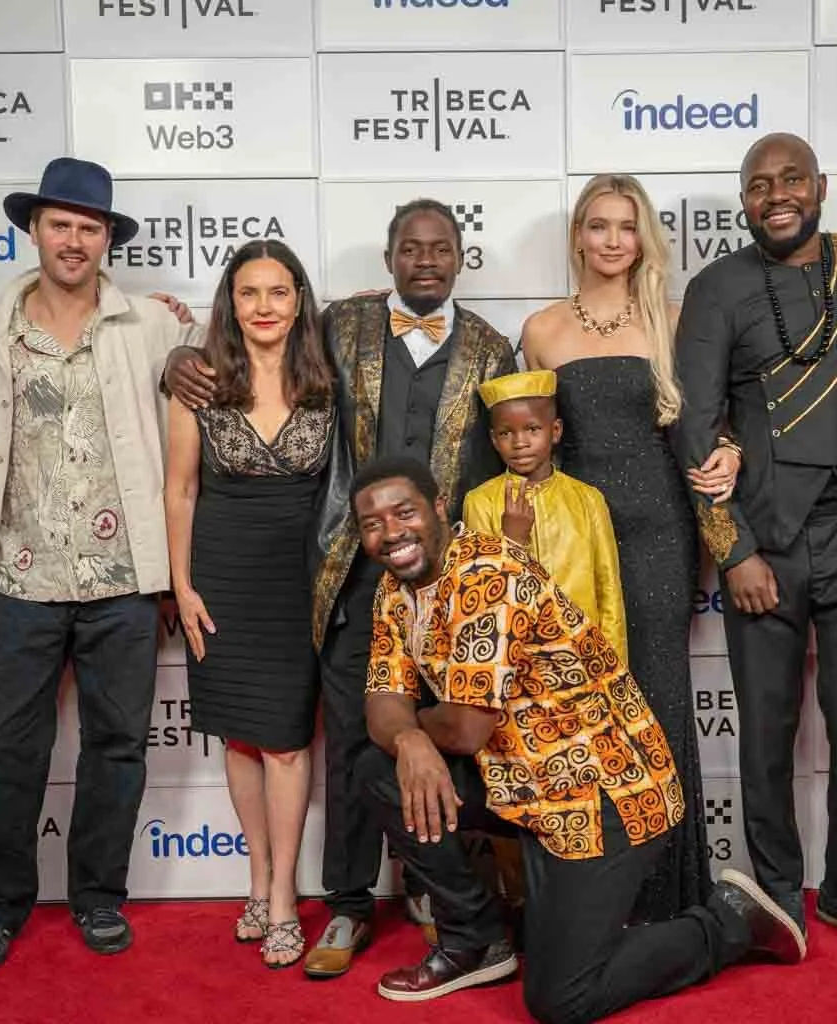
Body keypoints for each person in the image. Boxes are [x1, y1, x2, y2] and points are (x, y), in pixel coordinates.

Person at [165, 198, 516, 977]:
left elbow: (507, 458)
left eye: (441, 249)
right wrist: (173, 357)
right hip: (349, 582)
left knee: (455, 735)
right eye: (410, 249)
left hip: (450, 590)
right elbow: (254, 337)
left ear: (461, 257)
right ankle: (350, 904)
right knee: (358, 740)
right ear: (387, 258)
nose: (425, 262)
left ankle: (439, 891)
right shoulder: (341, 329)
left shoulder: (497, 349)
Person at [351, 456, 805, 1020]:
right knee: (376, 767)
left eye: (404, 512)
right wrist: (411, 742)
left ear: (439, 508)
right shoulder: (397, 589)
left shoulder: (486, 574)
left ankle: (730, 920)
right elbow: (381, 701)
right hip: (517, 779)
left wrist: (413, 734)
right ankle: (477, 940)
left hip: (600, 790)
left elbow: (467, 729)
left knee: (560, 999)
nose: (391, 532)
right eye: (372, 524)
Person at [0, 157, 198, 975]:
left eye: (89, 227)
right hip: (19, 578)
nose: (74, 240)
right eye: (60, 224)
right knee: (4, 754)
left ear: (106, 239)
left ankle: (98, 896)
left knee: (118, 745)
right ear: (34, 230)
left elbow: (217, 386)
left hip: (122, 580)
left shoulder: (154, 327)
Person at [672, 133, 837, 955]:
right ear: (743, 201)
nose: (777, 193)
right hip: (765, 539)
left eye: (792, 178)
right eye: (760, 183)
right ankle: (776, 890)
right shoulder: (715, 288)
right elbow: (697, 423)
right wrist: (731, 550)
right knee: (766, 729)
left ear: (821, 186)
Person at [520, 174, 735, 918]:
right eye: (599, 225)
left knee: (658, 697)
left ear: (643, 238)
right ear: (578, 235)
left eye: (626, 226)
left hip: (656, 532)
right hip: (572, 536)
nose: (613, 240)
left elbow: (705, 423)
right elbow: (529, 447)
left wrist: (730, 450)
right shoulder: (541, 329)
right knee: (580, 706)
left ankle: (669, 894)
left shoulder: (672, 321)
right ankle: (591, 894)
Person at [163, 239, 334, 968]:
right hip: (223, 574)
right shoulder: (198, 380)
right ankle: (256, 881)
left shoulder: (329, 380)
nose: (264, 306)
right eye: (248, 292)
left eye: (279, 292)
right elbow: (180, 489)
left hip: (301, 579)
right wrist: (182, 584)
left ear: (299, 301)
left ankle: (287, 896)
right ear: (229, 303)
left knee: (289, 741)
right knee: (238, 737)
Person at [462, 368, 627, 664]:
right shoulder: (480, 502)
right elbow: (484, 594)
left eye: (532, 429)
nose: (520, 442)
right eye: (506, 433)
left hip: (584, 657)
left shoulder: (587, 499)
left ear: (556, 431)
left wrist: (613, 670)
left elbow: (609, 591)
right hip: (517, 660)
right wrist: (514, 541)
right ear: (493, 439)